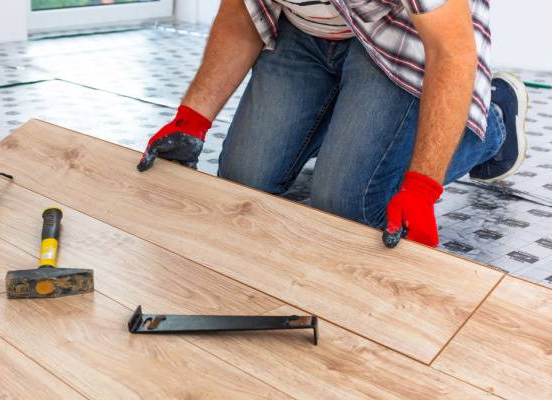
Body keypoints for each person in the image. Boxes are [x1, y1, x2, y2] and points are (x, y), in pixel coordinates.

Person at [136, 0, 528, 248]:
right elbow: (241, 13)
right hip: (307, 28)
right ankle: (347, 118)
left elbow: (452, 52)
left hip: (400, 30)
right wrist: (191, 120)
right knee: (243, 179)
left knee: (350, 208)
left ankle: (494, 125)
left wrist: (422, 187)